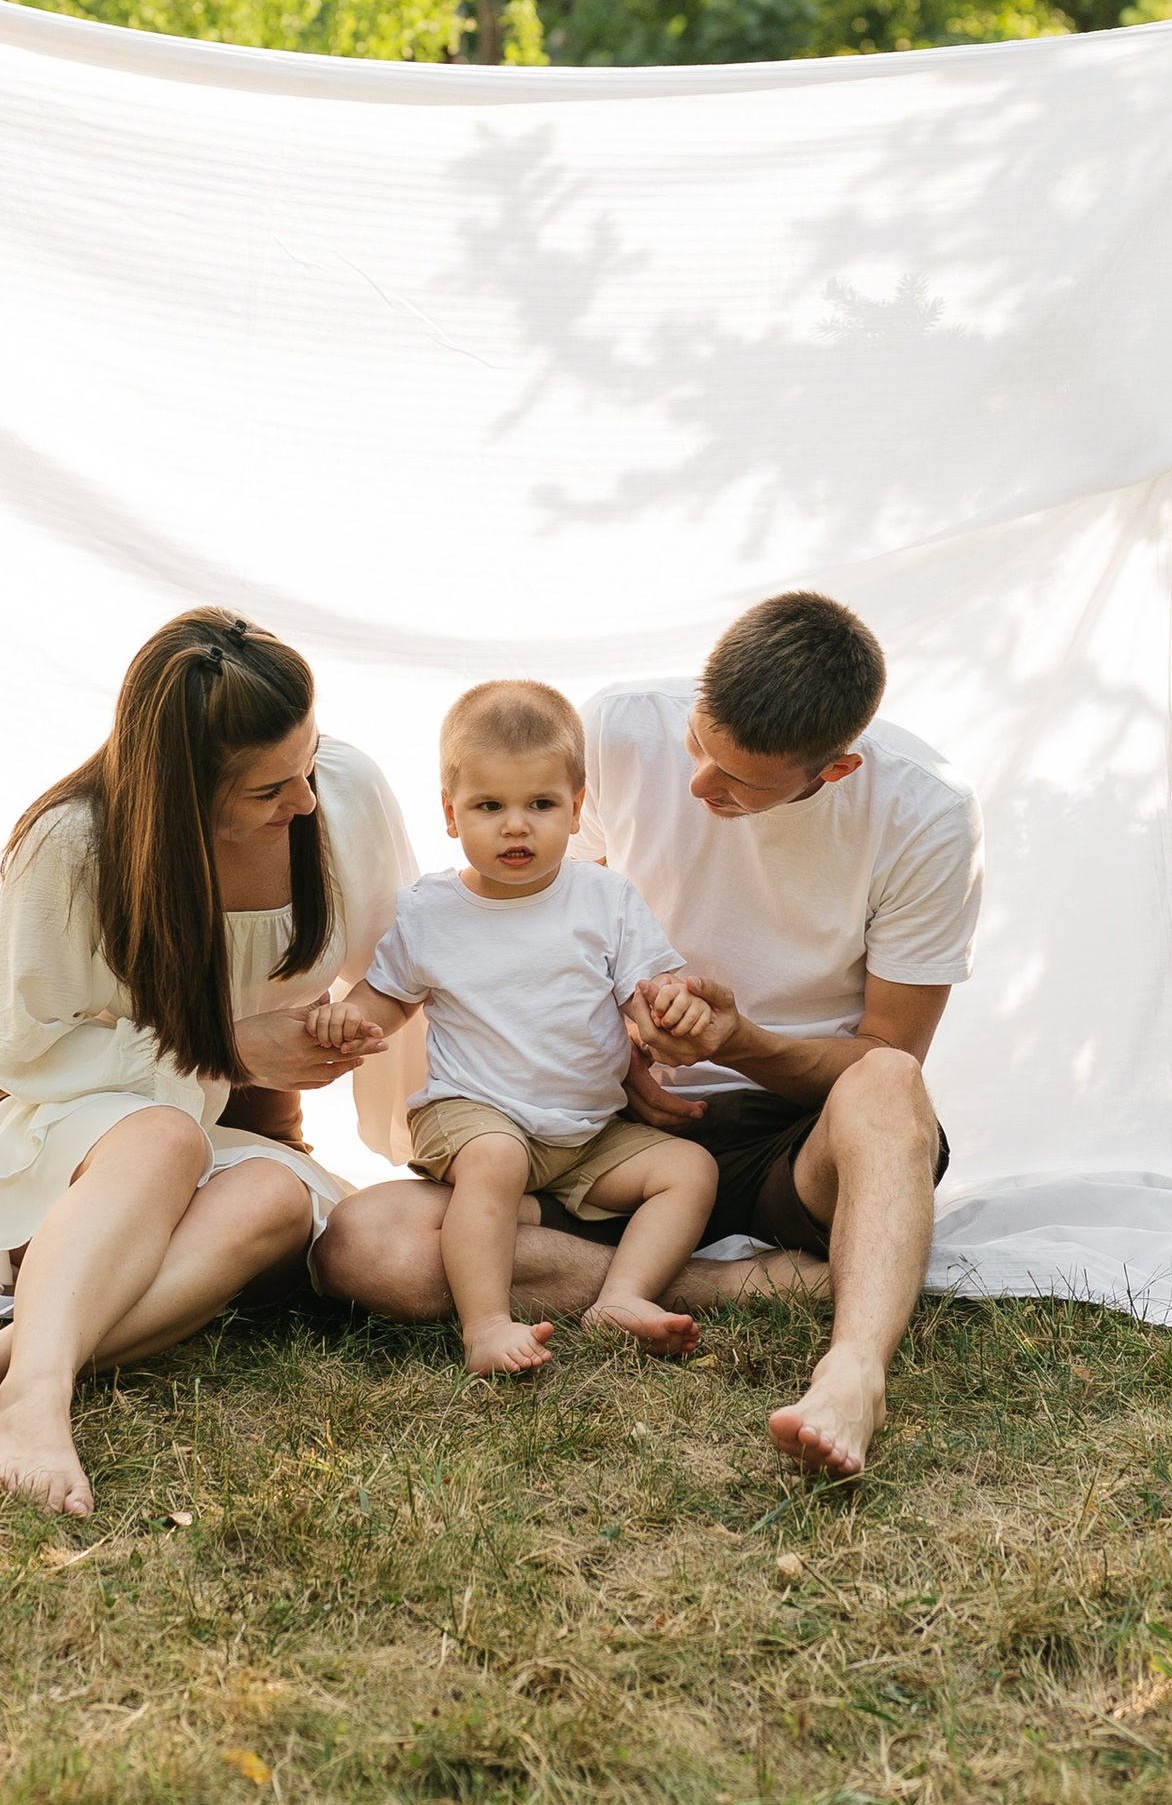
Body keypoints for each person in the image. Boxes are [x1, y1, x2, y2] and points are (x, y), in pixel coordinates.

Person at [314, 592, 981, 1482]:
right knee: (367, 1245)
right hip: (588, 1132)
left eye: (740, 781)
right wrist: (627, 1050)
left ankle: (852, 1369)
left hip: (789, 1133)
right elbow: (552, 940)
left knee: (893, 1085)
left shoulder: (925, 813)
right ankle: (753, 1282)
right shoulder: (621, 728)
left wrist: (736, 1041)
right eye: (700, 743)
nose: (701, 784)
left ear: (835, 771)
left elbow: (883, 1053)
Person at [0, 608, 412, 1516]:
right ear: (184, 794)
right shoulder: (75, 843)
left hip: (223, 1136)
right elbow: (24, 1047)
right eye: (266, 793)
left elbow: (403, 956)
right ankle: (37, 1404)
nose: (307, 803)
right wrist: (228, 1048)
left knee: (278, 1197)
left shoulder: (344, 793)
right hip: (66, 1131)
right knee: (165, 1136)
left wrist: (354, 1033)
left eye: (310, 761)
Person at [303, 679, 720, 1378]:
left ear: (577, 807)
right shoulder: (430, 911)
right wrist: (350, 1019)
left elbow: (649, 995)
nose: (516, 825)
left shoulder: (605, 897)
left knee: (689, 1169)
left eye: (541, 804)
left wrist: (675, 1006)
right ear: (449, 813)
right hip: (473, 1115)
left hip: (586, 1130)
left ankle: (622, 1295)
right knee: (495, 1160)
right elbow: (386, 1000)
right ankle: (487, 1326)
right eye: (489, 806)